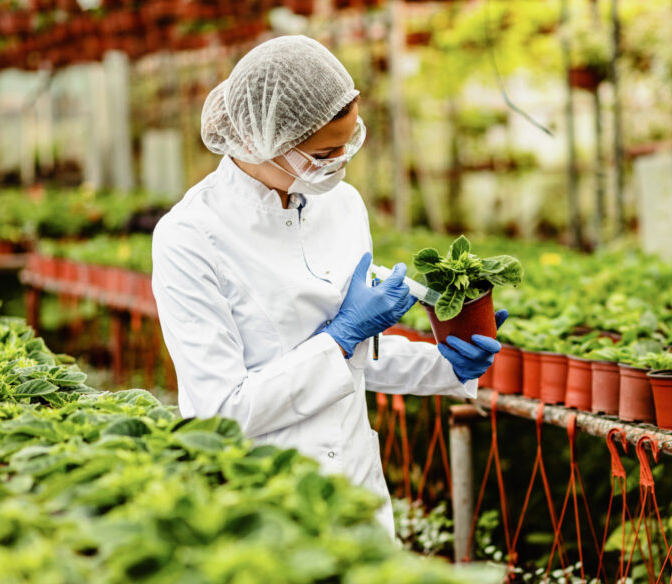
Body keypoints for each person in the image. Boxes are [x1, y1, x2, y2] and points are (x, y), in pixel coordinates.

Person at [151, 35, 504, 535]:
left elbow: (359, 359)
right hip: (263, 497)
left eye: (349, 141)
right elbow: (221, 413)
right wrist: (339, 336)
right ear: (260, 142)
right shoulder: (190, 237)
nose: (341, 161)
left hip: (355, 487)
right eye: (324, 152)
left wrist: (447, 362)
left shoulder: (342, 206)